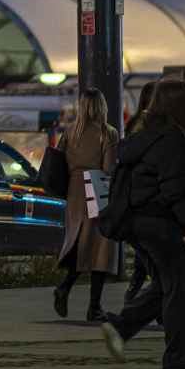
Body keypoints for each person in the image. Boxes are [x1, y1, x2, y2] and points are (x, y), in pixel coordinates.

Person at [98, 79, 185, 369]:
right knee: (184, 289)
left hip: (140, 222)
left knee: (166, 285)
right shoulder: (172, 138)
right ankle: (180, 358)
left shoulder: (144, 134)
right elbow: (177, 187)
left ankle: (121, 327)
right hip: (162, 222)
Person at [53, 87, 119, 322]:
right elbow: (110, 167)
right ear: (102, 106)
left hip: (74, 191)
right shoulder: (107, 133)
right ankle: (94, 306)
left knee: (80, 243)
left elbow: (59, 160)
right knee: (101, 247)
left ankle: (65, 288)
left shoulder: (70, 132)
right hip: (97, 189)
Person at [119, 79, 164, 309]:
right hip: (151, 203)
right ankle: (144, 304)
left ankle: (134, 293)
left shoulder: (133, 124)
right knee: (155, 261)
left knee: (145, 256)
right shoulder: (154, 127)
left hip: (132, 201)